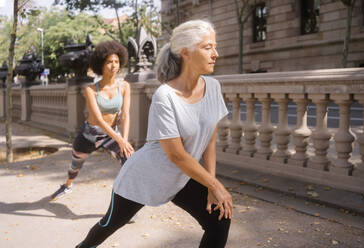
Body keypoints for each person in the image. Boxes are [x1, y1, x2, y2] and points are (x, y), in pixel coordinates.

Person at [75, 20, 233, 248]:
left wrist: (211, 185)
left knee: (220, 219)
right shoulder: (165, 96)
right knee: (109, 225)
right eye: (208, 47)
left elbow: (209, 139)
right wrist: (217, 186)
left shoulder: (213, 87)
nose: (215, 53)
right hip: (145, 176)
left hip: (182, 176)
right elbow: (176, 154)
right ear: (186, 53)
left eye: (214, 46)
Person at [51, 41, 134, 200]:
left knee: (129, 160)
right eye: (109, 62)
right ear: (101, 64)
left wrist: (124, 140)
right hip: (90, 134)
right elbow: (99, 120)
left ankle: (127, 201)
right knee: (75, 165)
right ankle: (67, 185)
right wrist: (120, 140)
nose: (113, 65)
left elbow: (125, 115)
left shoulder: (124, 86)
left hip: (111, 135)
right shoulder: (90, 90)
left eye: (116, 62)